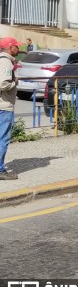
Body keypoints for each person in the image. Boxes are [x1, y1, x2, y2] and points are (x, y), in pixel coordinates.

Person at [0, 36, 22, 180]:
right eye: (16, 46)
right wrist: (14, 82)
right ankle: (1, 170)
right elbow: (3, 84)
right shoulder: (6, 62)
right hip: (4, 106)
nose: (18, 49)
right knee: (3, 138)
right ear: (9, 47)